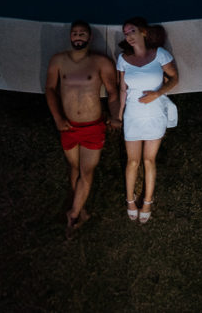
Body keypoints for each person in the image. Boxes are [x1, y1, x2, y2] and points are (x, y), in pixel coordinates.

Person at [45, 20, 120, 238]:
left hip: (93, 126)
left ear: (90, 38)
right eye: (75, 34)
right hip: (68, 125)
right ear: (70, 37)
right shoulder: (58, 60)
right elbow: (50, 89)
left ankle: (73, 214)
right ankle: (82, 209)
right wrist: (58, 118)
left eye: (82, 34)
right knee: (74, 169)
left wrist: (115, 116)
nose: (78, 37)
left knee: (86, 171)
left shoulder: (100, 61)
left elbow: (113, 92)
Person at [116, 17, 179, 224]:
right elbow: (122, 89)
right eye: (126, 33)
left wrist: (157, 93)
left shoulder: (160, 54)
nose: (129, 36)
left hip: (154, 114)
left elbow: (175, 78)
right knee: (132, 161)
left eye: (132, 31)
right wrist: (119, 114)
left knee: (148, 160)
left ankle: (148, 202)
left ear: (143, 32)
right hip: (132, 116)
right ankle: (130, 201)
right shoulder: (123, 58)